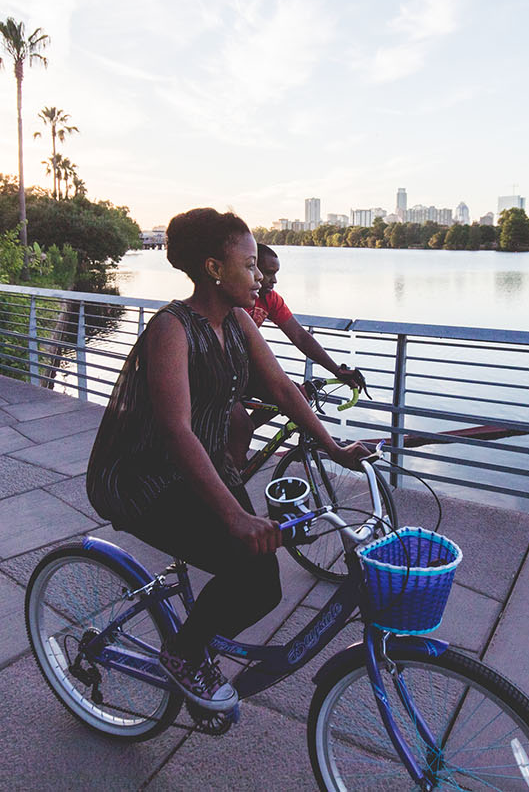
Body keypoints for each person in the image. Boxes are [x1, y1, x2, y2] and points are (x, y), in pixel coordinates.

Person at [85, 208, 368, 713]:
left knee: (265, 583)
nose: (260, 276)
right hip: (147, 478)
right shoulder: (171, 328)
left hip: (206, 466)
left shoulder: (237, 321)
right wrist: (235, 515)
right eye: (251, 265)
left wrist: (335, 449)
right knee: (251, 574)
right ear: (215, 268)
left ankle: (197, 634)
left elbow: (282, 387)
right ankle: (184, 652)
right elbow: (175, 431)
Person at [229, 243, 366, 470]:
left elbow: (300, 337)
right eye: (268, 272)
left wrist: (336, 370)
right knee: (239, 430)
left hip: (243, 370)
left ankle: (236, 443)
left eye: (275, 273)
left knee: (296, 395)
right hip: (218, 373)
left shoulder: (270, 299)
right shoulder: (233, 302)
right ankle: (230, 458)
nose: (272, 280)